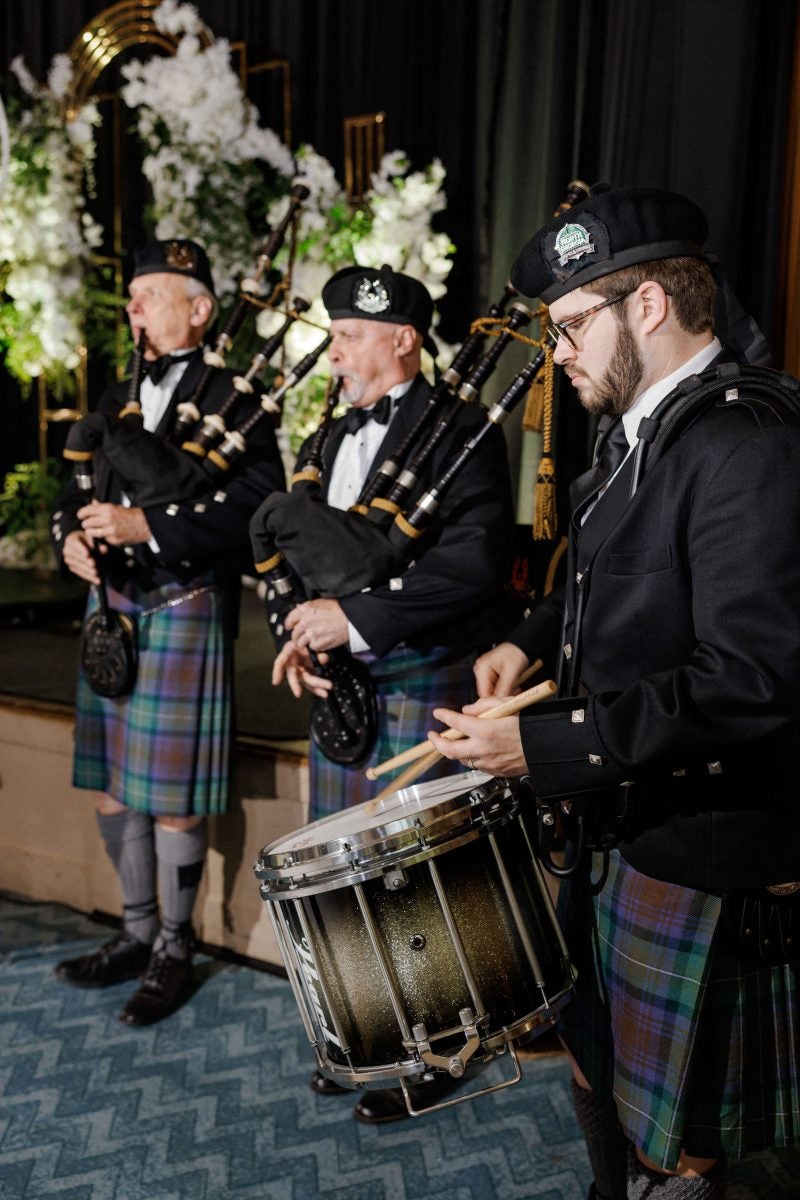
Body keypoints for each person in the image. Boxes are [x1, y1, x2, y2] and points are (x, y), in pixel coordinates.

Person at [426, 185, 800, 1198]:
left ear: (647, 306)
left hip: (696, 846)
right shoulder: (635, 439)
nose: (557, 353)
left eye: (570, 324)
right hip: (619, 827)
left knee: (673, 1145)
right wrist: (524, 643)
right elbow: (613, 589)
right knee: (596, 1072)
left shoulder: (741, 443)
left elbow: (752, 678)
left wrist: (544, 746)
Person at [269, 264, 515, 1122]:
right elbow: (302, 564)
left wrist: (358, 620)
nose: (332, 354)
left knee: (411, 872)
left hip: (418, 667)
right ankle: (373, 1029)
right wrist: (297, 637)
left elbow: (474, 561)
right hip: (343, 685)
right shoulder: (332, 436)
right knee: (344, 866)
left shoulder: (466, 430)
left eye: (347, 337)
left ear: (403, 339)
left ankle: (439, 1044)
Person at [50, 238, 285, 1026]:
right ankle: (135, 929)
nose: (136, 307)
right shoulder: (117, 394)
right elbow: (73, 489)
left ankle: (174, 947)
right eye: (135, 294)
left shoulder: (237, 400)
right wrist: (71, 542)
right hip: (109, 610)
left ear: (201, 308)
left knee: (175, 798)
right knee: (118, 787)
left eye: (154, 292)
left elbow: (253, 509)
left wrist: (144, 525)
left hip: (181, 606)